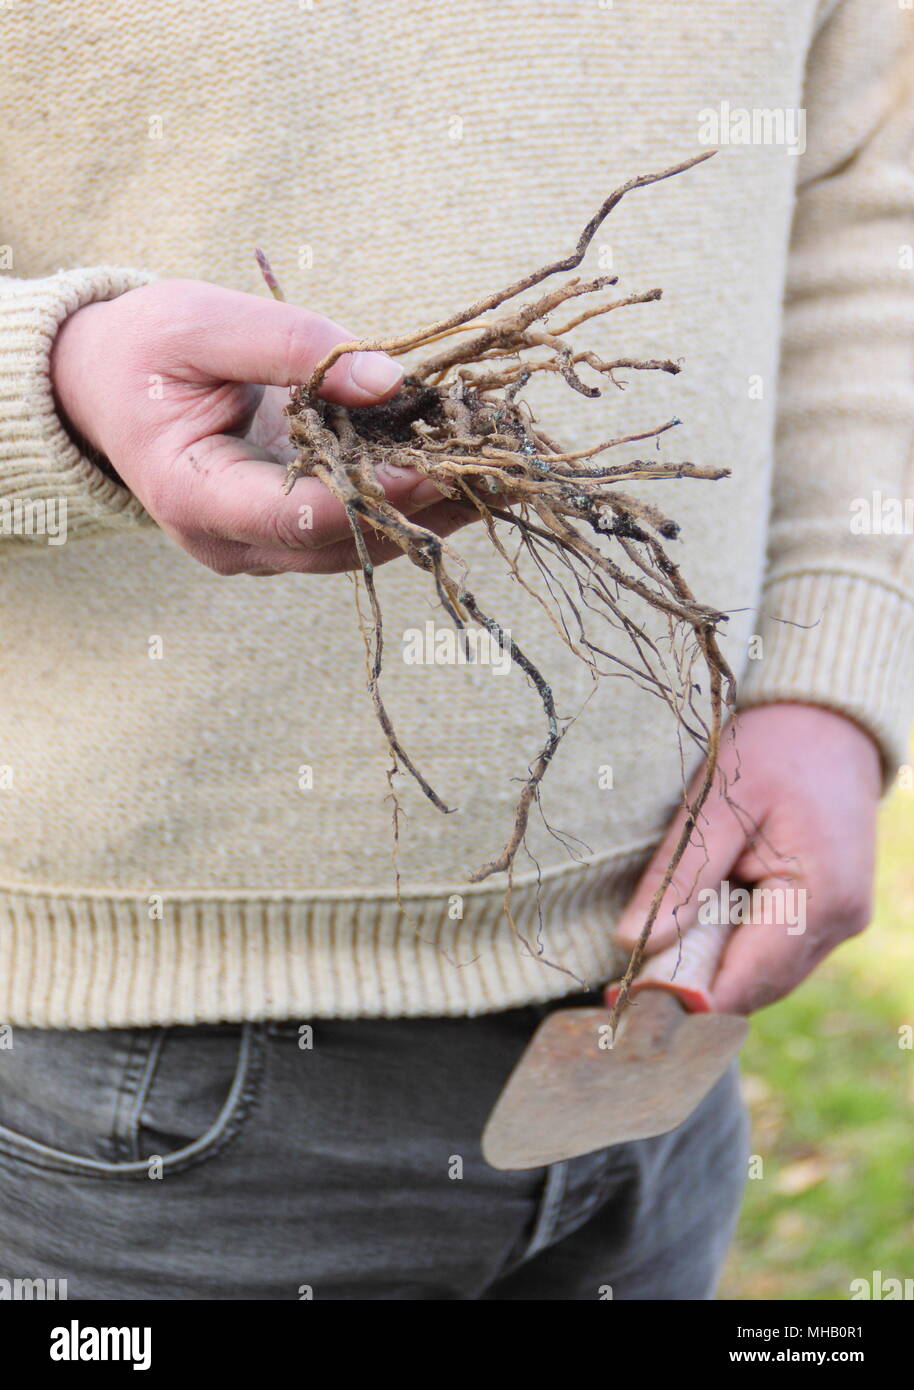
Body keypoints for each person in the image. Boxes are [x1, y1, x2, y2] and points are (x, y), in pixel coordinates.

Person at [0, 0, 911, 1300]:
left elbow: (865, 193)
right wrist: (44, 384)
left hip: (655, 991)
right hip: (115, 1079)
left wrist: (824, 678)